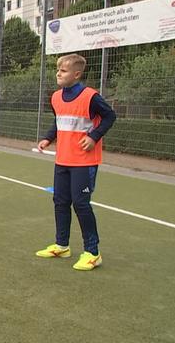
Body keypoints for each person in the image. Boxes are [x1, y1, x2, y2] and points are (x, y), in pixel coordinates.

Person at [35, 53, 116, 271]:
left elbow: (110, 116)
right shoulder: (55, 97)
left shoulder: (91, 96)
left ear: (77, 74)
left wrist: (94, 136)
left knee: (81, 204)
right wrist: (48, 138)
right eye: (58, 69)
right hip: (63, 159)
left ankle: (92, 252)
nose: (58, 73)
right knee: (60, 201)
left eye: (63, 70)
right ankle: (62, 245)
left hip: (84, 161)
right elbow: (59, 120)